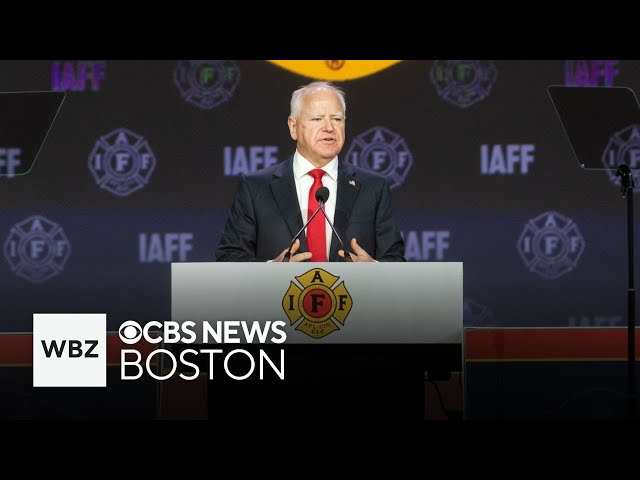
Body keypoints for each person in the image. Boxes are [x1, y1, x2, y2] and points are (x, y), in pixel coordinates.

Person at [216, 81, 405, 263]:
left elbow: (395, 259)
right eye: (317, 119)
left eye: (337, 119)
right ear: (293, 127)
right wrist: (270, 268)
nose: (329, 128)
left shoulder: (373, 188)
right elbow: (229, 257)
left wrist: (375, 269)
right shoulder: (255, 188)